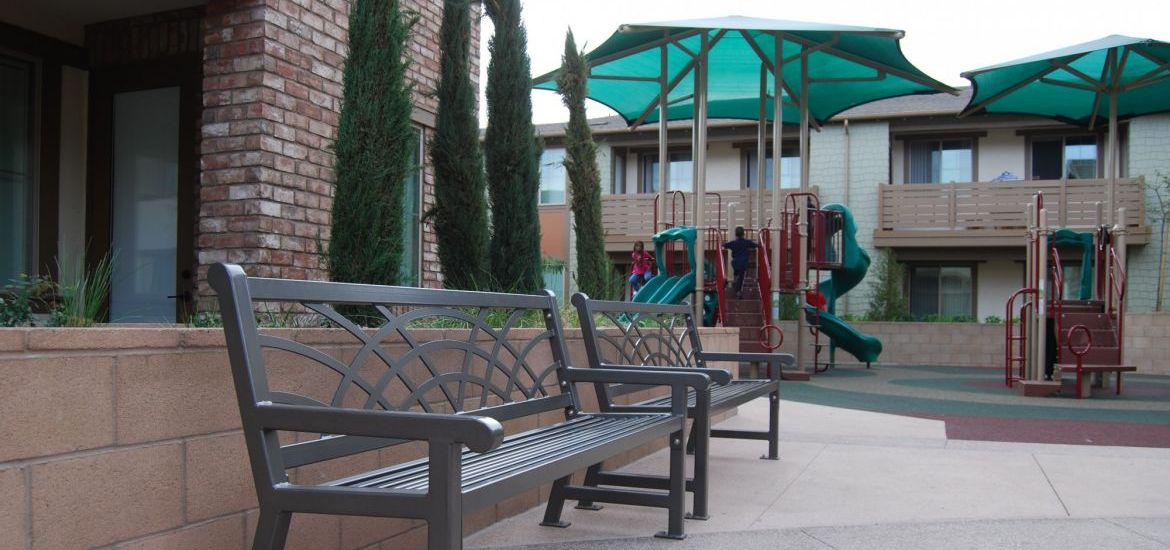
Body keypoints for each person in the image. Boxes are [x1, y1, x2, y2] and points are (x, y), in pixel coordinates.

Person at [723, 226, 757, 299]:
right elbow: (755, 245)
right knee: (741, 277)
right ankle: (738, 291)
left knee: (736, 272)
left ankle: (735, 278)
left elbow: (725, 245)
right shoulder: (747, 242)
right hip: (743, 263)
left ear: (735, 235)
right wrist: (759, 245)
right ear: (743, 234)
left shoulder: (733, 243)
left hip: (735, 263)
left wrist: (722, 244)